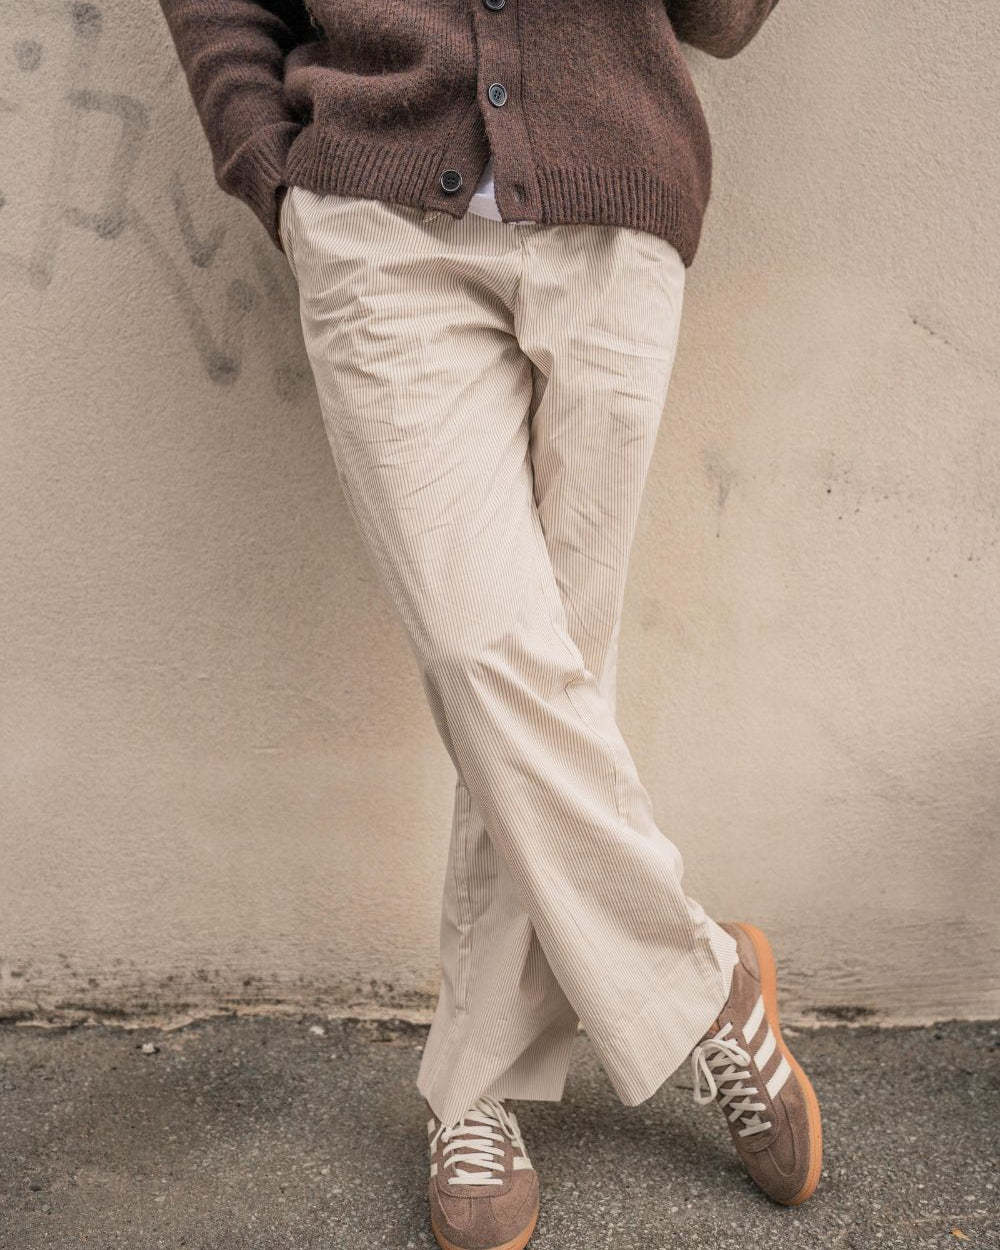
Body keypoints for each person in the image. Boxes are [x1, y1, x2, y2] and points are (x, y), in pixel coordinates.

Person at [157, 2, 821, 1247]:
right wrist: (273, 172)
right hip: (374, 215)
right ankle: (702, 979)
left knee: (547, 678)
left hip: (613, 206)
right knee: (484, 655)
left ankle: (474, 1087)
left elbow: (721, 21)